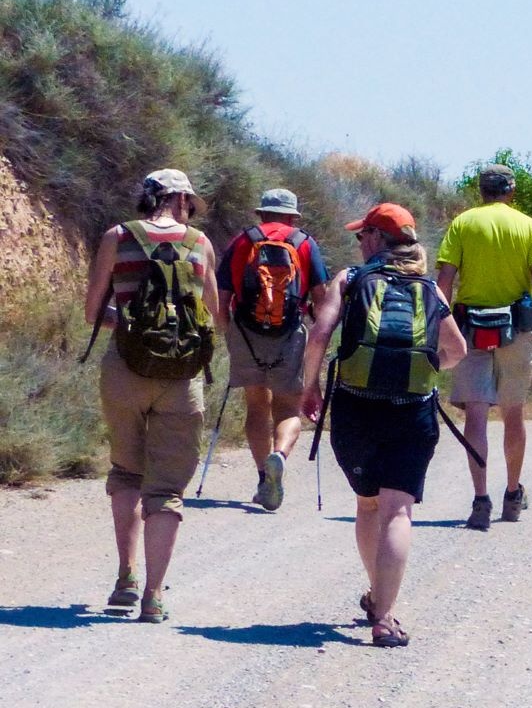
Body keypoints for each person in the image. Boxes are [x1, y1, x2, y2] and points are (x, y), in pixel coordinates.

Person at [300, 203, 467, 647]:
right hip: (412, 411)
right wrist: (424, 367)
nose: (359, 243)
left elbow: (319, 335)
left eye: (362, 235)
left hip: (356, 409)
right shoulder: (429, 289)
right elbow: (457, 351)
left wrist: (310, 387)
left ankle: (377, 595)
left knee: (369, 505)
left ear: (377, 238)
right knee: (398, 511)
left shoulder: (351, 280)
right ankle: (385, 617)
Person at [82, 168, 219, 623]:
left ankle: (125, 578)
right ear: (181, 200)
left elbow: (92, 311)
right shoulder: (200, 244)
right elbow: (213, 316)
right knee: (166, 489)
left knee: (127, 471)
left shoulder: (117, 237)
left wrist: (131, 324)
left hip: (125, 369)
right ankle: (154, 596)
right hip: (182, 378)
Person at [435, 163, 532, 530]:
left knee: (476, 416)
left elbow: (445, 279)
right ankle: (512, 495)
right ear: (511, 190)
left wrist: (437, 326)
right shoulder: (527, 226)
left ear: (481, 190)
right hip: (516, 330)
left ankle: (480, 500)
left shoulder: (463, 224)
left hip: (470, 329)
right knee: (513, 412)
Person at [214, 188, 330, 511]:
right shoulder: (305, 243)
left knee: (256, 406)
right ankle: (279, 455)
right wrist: (317, 335)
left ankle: (264, 478)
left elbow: (221, 297)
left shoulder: (243, 241)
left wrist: (228, 330)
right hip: (289, 334)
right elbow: (321, 298)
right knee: (288, 408)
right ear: (292, 216)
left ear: (262, 213)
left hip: (246, 332)